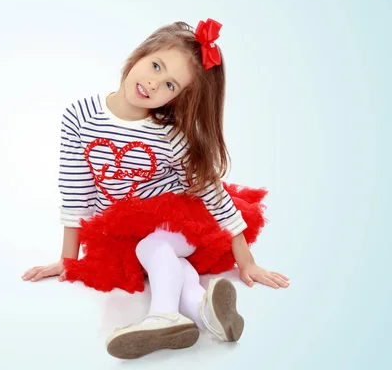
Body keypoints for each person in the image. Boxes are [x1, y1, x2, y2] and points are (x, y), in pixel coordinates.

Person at [22, 19, 290, 359]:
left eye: (169, 84)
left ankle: (161, 316)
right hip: (122, 234)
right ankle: (207, 316)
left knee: (155, 246)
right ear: (140, 54)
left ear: (177, 97)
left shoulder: (170, 134)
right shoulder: (80, 116)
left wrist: (246, 261)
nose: (153, 83)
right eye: (155, 66)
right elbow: (77, 190)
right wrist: (68, 259)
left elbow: (212, 193)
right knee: (170, 268)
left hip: (180, 220)